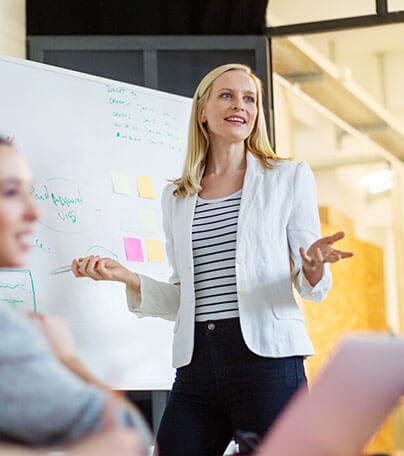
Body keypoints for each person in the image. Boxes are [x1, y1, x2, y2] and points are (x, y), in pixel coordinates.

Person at [73, 63, 354, 456]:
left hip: (268, 362)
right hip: (198, 363)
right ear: (202, 110)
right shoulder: (178, 197)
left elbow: (313, 286)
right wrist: (129, 278)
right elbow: (183, 299)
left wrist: (312, 266)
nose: (240, 105)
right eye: (227, 95)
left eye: (249, 98)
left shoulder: (287, 178)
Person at [0, 136, 150, 454]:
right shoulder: (11, 337)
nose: (35, 211)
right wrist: (66, 357)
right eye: (11, 192)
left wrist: (126, 277)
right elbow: (127, 433)